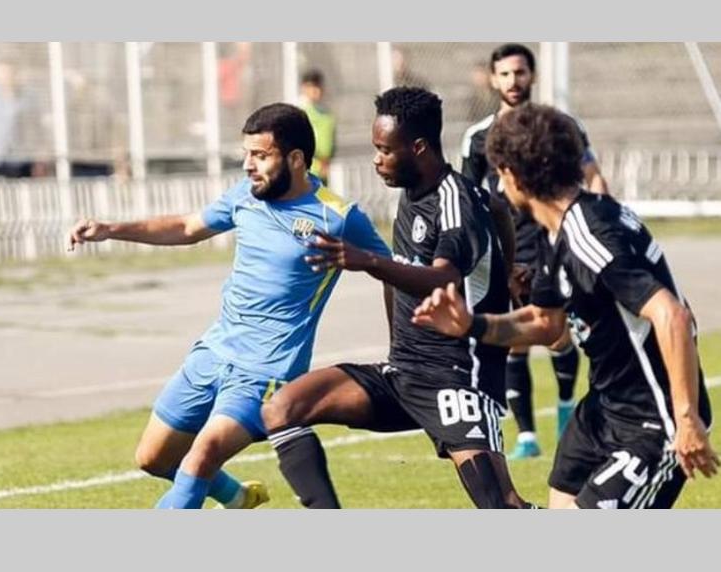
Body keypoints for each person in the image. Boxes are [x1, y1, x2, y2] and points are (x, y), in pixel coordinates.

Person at [68, 103, 391, 509]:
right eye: (246, 154)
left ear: (295, 159)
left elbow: (392, 271)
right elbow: (187, 227)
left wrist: (408, 346)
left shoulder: (338, 217)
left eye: (260, 155)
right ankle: (237, 498)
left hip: (267, 371)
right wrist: (111, 229)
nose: (247, 165)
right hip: (214, 352)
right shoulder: (245, 195)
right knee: (153, 458)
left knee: (201, 454)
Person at [414, 103, 718, 508]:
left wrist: (686, 419)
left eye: (499, 173)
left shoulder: (589, 236)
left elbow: (673, 315)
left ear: (515, 175)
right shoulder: (556, 231)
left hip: (653, 423)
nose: (498, 185)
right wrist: (471, 324)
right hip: (603, 409)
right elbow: (545, 323)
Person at [262, 87, 533, 509]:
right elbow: (497, 209)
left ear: (418, 147)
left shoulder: (455, 202)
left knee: (501, 506)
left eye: (385, 150)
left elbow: (443, 280)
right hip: (403, 372)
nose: (377, 159)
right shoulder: (412, 191)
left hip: (457, 378)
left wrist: (369, 261)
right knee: (283, 407)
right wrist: (506, 271)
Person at [460, 43, 609, 460]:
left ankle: (565, 409)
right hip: (508, 253)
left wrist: (599, 224)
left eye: (520, 72)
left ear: (533, 76)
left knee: (558, 336)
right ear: (493, 79)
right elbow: (469, 200)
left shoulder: (560, 127)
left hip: (556, 247)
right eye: (505, 74)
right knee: (516, 340)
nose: (513, 81)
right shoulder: (477, 138)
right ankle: (526, 435)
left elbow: (593, 176)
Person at [299, 69, 337, 185]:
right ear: (304, 88)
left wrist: (327, 161)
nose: (316, 91)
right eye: (311, 87)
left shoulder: (328, 116)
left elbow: (331, 144)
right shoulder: (300, 114)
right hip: (306, 173)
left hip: (323, 172)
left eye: (318, 86)